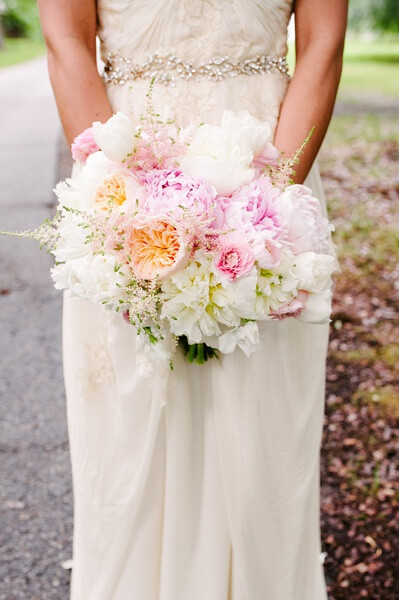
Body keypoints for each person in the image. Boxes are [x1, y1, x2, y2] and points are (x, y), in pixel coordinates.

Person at [37, 1, 348, 599]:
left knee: (261, 441)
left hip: (273, 170)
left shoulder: (271, 209)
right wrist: (126, 204)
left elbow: (322, 45)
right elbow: (66, 42)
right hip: (125, 180)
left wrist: (263, 218)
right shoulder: (123, 198)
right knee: (132, 439)